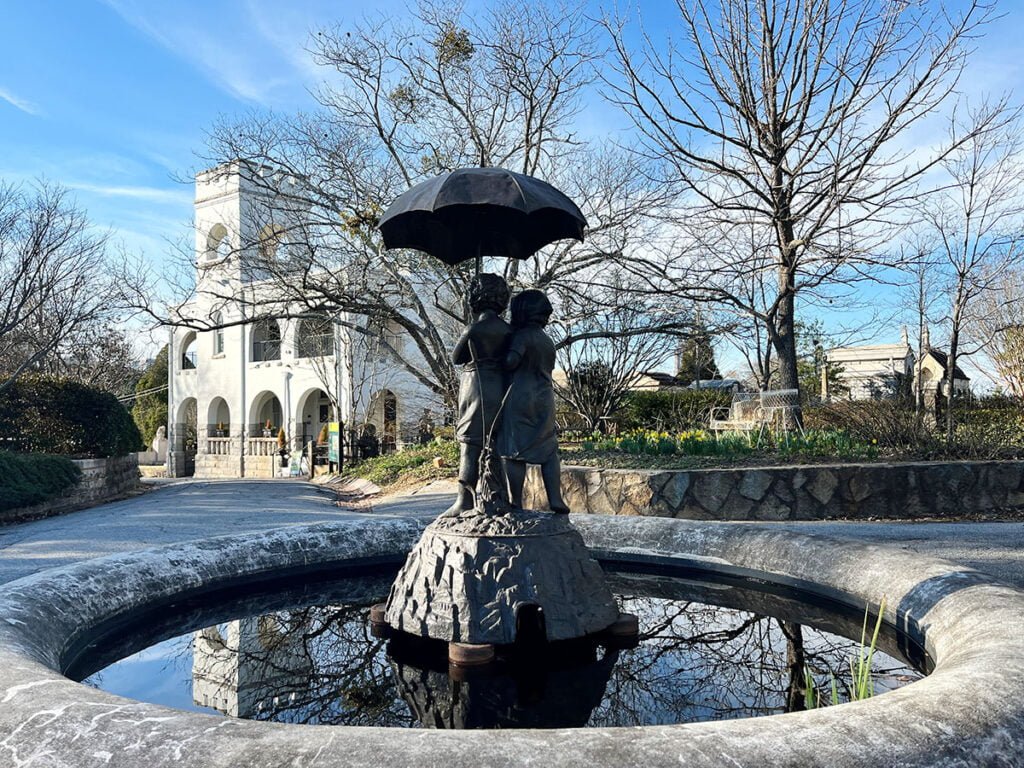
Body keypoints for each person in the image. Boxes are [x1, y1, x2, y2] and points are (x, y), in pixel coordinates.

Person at [446, 273, 512, 515]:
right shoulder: (509, 331)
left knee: (470, 446)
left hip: (476, 386)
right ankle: (501, 497)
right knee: (499, 444)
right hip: (501, 387)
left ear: (473, 299)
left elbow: (456, 357)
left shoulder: (473, 329)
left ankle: (464, 500)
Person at [499, 289, 569, 513]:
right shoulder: (546, 340)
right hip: (545, 397)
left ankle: (516, 501)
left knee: (515, 451)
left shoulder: (523, 336)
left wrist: (496, 356)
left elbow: (511, 361)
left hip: (520, 396)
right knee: (549, 450)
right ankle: (555, 499)